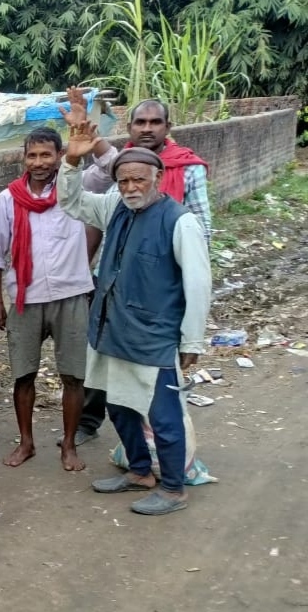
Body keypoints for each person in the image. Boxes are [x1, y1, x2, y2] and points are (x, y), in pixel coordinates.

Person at [58, 124, 211, 515]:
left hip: (154, 337)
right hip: (111, 330)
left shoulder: (180, 222)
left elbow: (197, 285)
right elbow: (72, 203)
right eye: (123, 180)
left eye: (138, 179)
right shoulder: (115, 208)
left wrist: (191, 342)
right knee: (119, 405)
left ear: (157, 179)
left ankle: (174, 488)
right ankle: (140, 472)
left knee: (163, 414)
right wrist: (72, 160)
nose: (130, 187)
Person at [0, 127, 92, 472]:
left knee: (73, 376)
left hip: (71, 294)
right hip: (24, 298)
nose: (39, 162)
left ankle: (69, 445)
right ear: (23, 158)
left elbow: (109, 169)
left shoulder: (75, 190)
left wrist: (86, 142)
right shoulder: (7, 199)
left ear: (60, 155)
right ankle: (27, 443)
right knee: (23, 374)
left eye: (46, 154)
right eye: (32, 155)